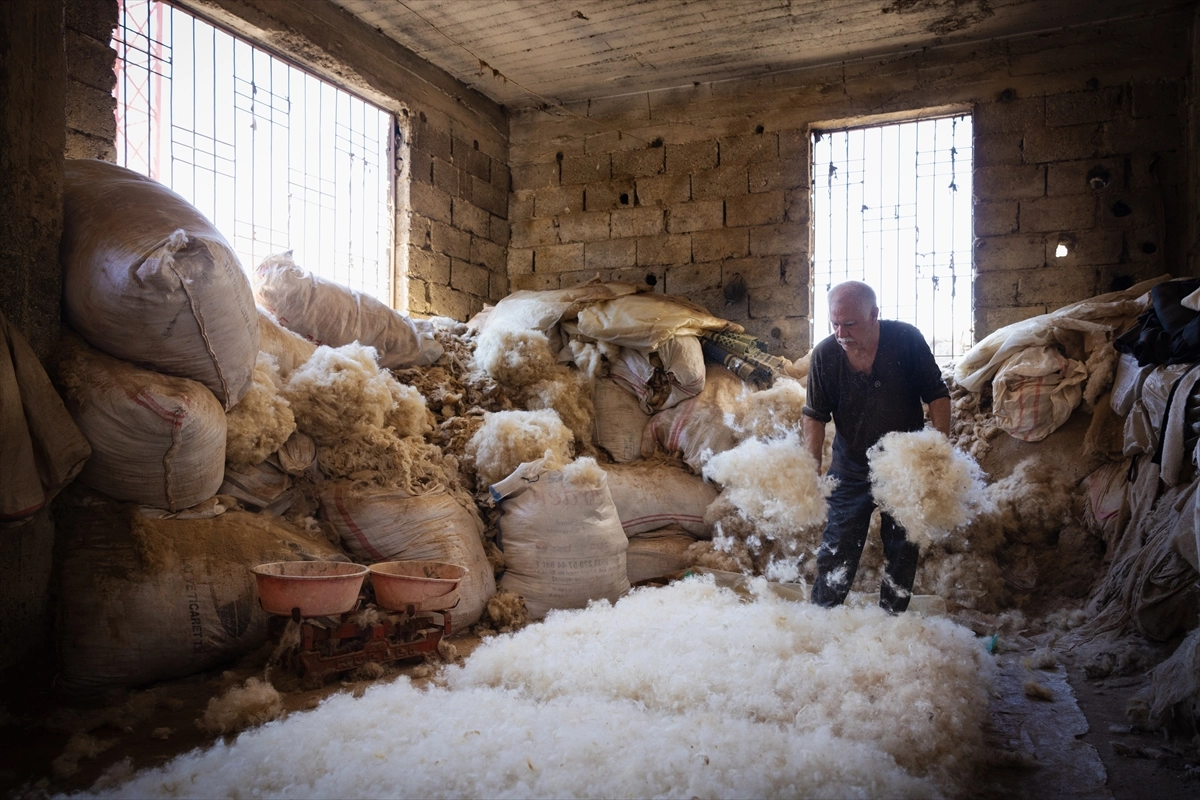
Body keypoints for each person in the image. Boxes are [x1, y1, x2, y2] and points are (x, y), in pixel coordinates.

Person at [801, 281, 951, 613]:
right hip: (850, 467)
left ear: (874, 315)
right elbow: (814, 415)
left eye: (850, 324)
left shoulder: (906, 341)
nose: (841, 333)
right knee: (836, 547)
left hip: (903, 466)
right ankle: (820, 619)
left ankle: (890, 621)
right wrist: (810, 468)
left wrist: (940, 451)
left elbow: (937, 394)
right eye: (834, 323)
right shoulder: (825, 356)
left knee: (903, 547)